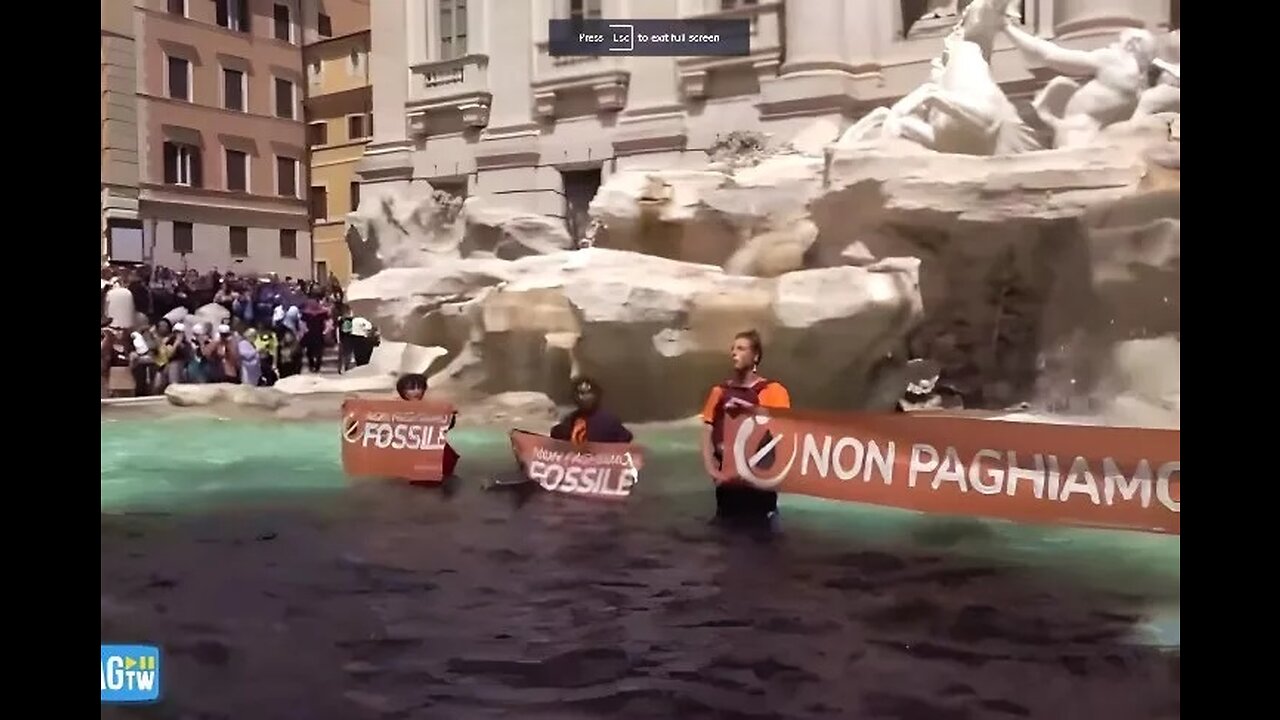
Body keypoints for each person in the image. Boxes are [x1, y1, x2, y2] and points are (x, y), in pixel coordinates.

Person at [699, 329, 792, 526]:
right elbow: (707, 431)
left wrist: (751, 410)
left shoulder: (773, 391)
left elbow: (785, 427)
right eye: (733, 349)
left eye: (741, 349)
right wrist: (712, 470)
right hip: (728, 485)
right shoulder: (719, 392)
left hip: (759, 485)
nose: (734, 353)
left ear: (755, 356)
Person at [550, 377, 633, 445]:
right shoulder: (569, 420)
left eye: (587, 393)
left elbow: (624, 444)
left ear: (596, 395)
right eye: (579, 393)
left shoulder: (610, 421)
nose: (582, 397)